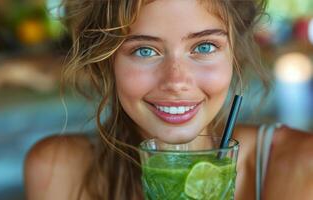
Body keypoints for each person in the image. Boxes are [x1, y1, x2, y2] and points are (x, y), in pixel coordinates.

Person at [23, 0, 313, 199]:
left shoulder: (299, 165)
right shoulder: (56, 170)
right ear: (106, 61)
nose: (175, 82)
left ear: (233, 55)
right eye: (145, 50)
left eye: (204, 46)